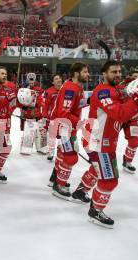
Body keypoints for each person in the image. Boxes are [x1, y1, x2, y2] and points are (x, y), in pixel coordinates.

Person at [72, 60, 138, 227]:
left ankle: (80, 191)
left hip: (100, 140)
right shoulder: (103, 92)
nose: (117, 75)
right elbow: (121, 114)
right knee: (110, 180)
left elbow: (132, 113)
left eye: (118, 72)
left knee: (97, 169)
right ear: (104, 74)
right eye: (113, 72)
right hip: (98, 142)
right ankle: (95, 211)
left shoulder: (115, 90)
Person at [49, 62, 89, 198]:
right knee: (70, 157)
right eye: (85, 72)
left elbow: (78, 105)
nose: (88, 74)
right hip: (65, 128)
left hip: (69, 128)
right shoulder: (71, 89)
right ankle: (58, 185)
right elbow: (64, 114)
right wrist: (80, 122)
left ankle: (56, 178)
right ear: (76, 73)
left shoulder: (77, 87)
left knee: (62, 153)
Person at [117, 70, 138, 173]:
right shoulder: (119, 87)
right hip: (117, 118)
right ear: (129, 76)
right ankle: (99, 158)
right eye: (135, 76)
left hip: (132, 120)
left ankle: (127, 162)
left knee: (134, 141)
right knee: (107, 141)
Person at [17, 72, 45, 155]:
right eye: (29, 79)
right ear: (27, 80)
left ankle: (42, 147)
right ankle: (26, 148)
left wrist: (36, 104)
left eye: (32, 79)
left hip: (37, 113)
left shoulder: (39, 89)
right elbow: (19, 100)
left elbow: (41, 99)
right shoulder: (22, 89)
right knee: (29, 130)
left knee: (41, 130)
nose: (31, 81)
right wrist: (22, 106)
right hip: (27, 114)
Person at [42, 74, 63, 162]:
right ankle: (51, 153)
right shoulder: (48, 91)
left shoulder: (65, 89)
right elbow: (45, 105)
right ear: (53, 82)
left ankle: (61, 152)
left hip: (64, 118)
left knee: (63, 136)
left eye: (59, 78)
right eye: (56, 79)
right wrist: (44, 116)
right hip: (53, 118)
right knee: (52, 136)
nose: (58, 80)